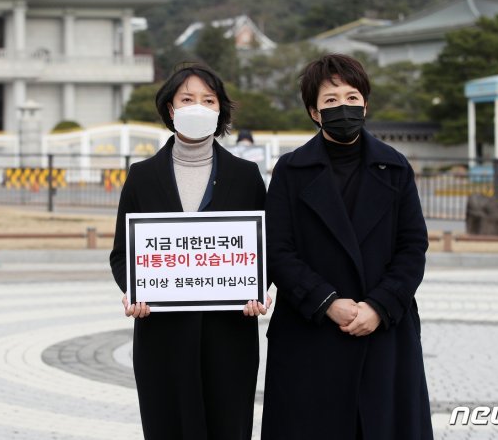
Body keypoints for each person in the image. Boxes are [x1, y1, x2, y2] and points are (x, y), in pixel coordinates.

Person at [261, 54, 433, 440]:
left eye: (352, 97)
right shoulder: (290, 170)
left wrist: (380, 305)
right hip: (310, 332)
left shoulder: (395, 167)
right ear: (314, 112)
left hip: (384, 330)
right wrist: (326, 302)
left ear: (366, 104)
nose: (344, 107)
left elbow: (413, 246)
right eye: (331, 100)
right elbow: (276, 249)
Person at [110, 63, 270, 440]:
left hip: (229, 332)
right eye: (187, 99)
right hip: (162, 334)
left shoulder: (245, 176)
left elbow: (265, 246)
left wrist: (259, 288)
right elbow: (122, 253)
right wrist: (134, 289)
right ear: (170, 108)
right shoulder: (142, 176)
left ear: (219, 110)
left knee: (227, 425)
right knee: (167, 425)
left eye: (208, 99)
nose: (198, 107)